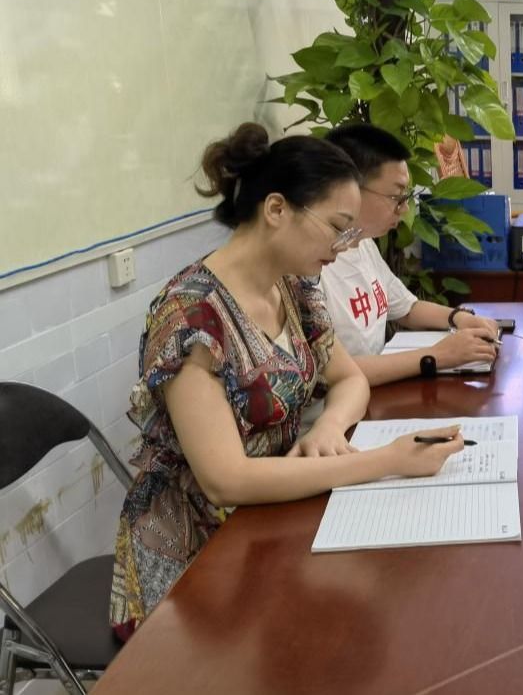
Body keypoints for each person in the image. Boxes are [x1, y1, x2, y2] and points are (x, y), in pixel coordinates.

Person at [110, 123, 466, 639]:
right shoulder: (191, 318)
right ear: (276, 209)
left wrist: (329, 429)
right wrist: (386, 461)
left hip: (273, 521)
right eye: (337, 227)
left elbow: (349, 379)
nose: (343, 247)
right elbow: (225, 479)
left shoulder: (293, 287)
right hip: (197, 564)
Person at [320, 124, 500, 386]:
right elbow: (334, 372)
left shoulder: (364, 244)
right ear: (350, 189)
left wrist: (460, 318)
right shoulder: (312, 266)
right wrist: (437, 356)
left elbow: (407, 308)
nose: (404, 209)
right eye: (396, 197)